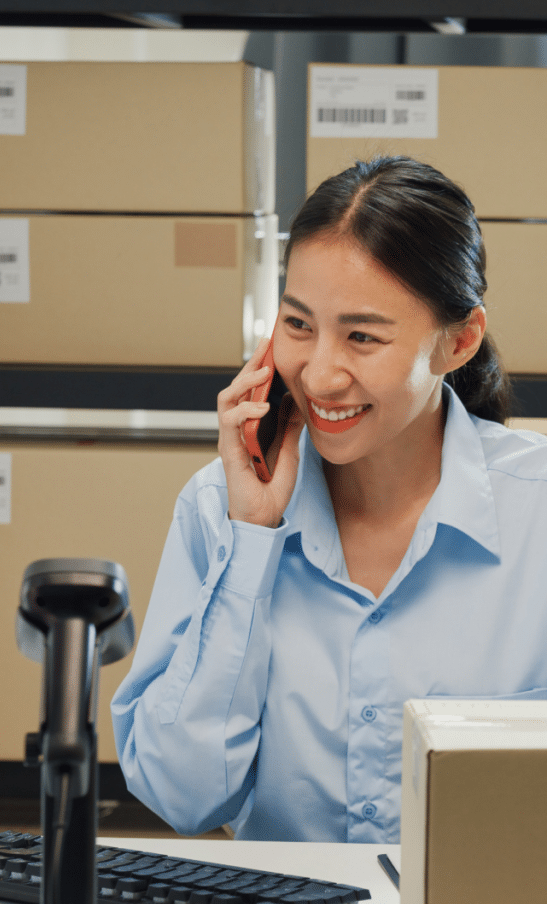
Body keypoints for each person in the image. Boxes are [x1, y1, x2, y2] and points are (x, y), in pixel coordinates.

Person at [111, 156, 547, 844]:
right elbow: (181, 796)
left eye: (362, 337)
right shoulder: (216, 509)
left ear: (457, 341)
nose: (318, 374)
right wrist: (250, 540)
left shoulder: (536, 516)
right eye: (298, 324)